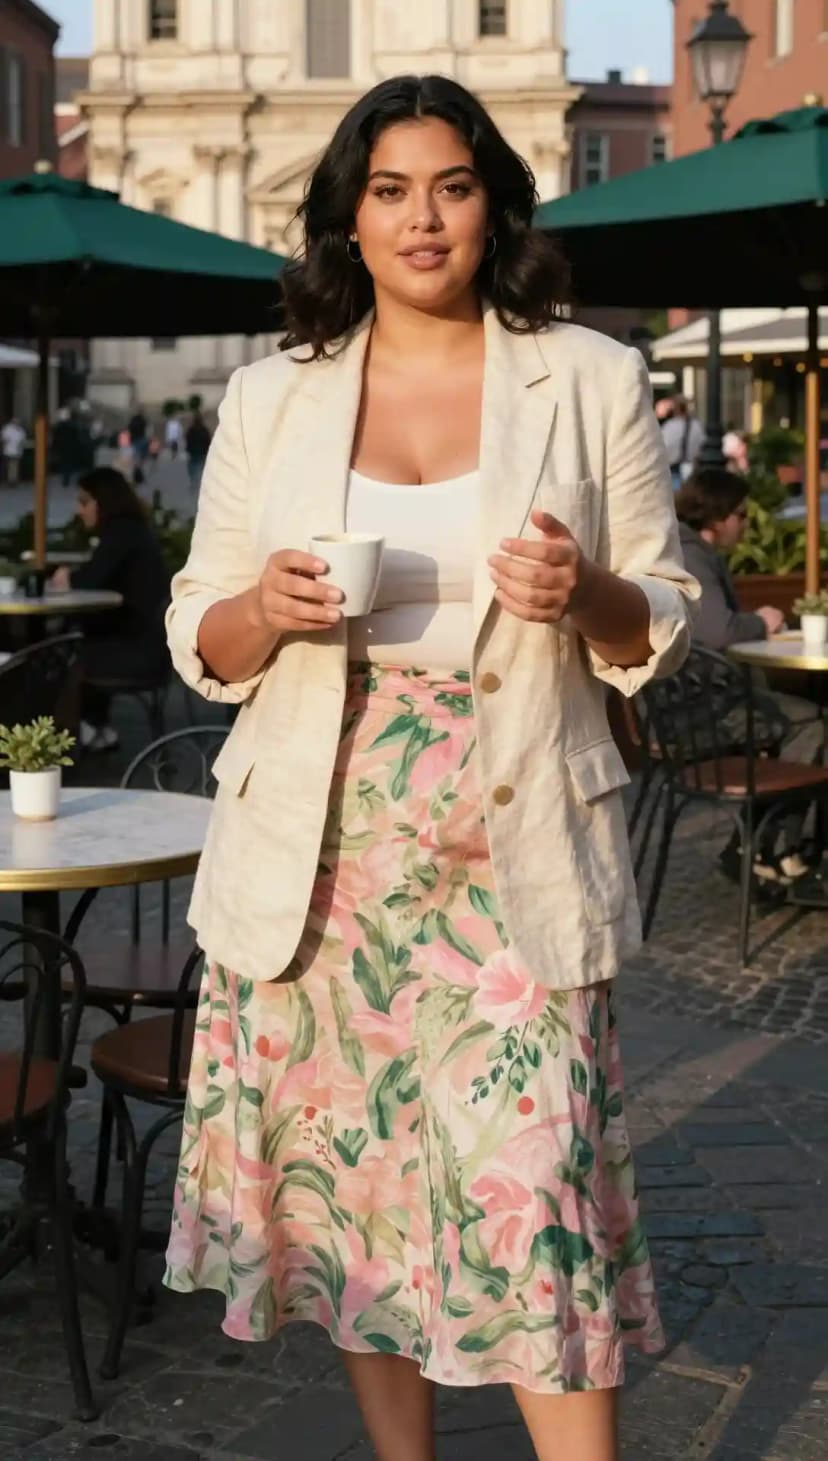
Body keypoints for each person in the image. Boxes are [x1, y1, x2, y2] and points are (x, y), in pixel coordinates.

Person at [163, 75, 697, 1461]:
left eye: (451, 186)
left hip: (507, 853)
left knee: (544, 1207)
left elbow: (665, 616)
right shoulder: (269, 398)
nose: (422, 217)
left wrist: (584, 597)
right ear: (348, 215)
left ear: (492, 204)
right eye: (390, 189)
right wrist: (264, 613)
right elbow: (197, 627)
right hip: (319, 857)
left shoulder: (587, 375)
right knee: (357, 1195)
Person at [675, 467, 823, 880]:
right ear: (717, 516)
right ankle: (766, 847)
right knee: (811, 723)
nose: (745, 524)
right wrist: (761, 621)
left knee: (805, 716)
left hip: (700, 698)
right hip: (698, 712)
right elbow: (720, 631)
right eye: (741, 514)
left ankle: (767, 847)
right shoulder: (690, 557)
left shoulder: (690, 552)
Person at [50, 467, 171, 752]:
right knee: (72, 643)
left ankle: (65, 739)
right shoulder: (131, 531)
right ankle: (94, 727)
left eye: (84, 501)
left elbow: (89, 581)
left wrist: (67, 577)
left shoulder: (120, 534)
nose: (79, 510)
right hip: (147, 646)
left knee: (58, 658)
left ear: (102, 501)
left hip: (137, 653)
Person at [661, 395, 705, 489]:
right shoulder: (697, 426)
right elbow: (702, 446)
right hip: (692, 467)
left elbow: (663, 446)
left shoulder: (669, 426)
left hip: (674, 469)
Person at [52, 408, 81, 488]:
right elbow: (76, 438)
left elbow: (56, 438)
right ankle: (66, 478)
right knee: (68, 464)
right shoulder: (72, 426)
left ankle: (65, 479)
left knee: (64, 463)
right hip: (69, 448)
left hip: (63, 448)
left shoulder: (59, 426)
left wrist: (55, 447)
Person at [184, 409, 211, 492]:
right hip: (201, 453)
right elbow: (208, 441)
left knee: (193, 470)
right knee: (202, 470)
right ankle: (200, 485)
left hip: (194, 453)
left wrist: (188, 449)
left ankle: (194, 484)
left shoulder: (191, 430)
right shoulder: (204, 430)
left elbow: (187, 440)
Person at [1, 415, 25, 486]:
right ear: (12, 422)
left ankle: (13, 480)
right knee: (11, 466)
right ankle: (11, 480)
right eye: (16, 421)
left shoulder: (21, 430)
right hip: (9, 451)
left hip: (17, 451)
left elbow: (22, 439)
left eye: (18, 422)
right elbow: (3, 439)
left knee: (15, 466)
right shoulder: (7, 429)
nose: (17, 423)